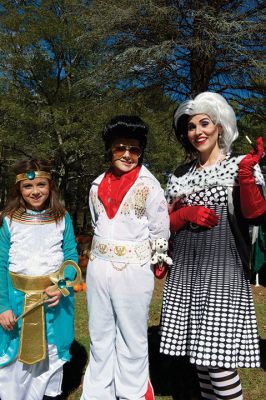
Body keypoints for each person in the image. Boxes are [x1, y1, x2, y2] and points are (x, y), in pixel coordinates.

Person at [159, 92, 265, 400]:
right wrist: (182, 216)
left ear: (219, 127)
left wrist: (246, 176)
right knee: (201, 362)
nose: (197, 132)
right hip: (186, 271)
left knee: (217, 362)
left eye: (204, 123)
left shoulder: (237, 166)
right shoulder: (180, 175)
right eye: (191, 127)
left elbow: (255, 212)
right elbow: (162, 224)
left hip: (222, 269)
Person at [81, 115, 170, 400]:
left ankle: (132, 392)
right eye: (120, 148)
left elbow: (160, 228)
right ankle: (98, 392)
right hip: (98, 268)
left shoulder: (150, 186)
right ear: (110, 149)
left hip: (133, 268)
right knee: (100, 333)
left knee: (132, 336)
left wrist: (158, 257)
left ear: (141, 151)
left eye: (134, 149)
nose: (127, 155)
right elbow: (97, 224)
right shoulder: (96, 185)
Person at [0, 159, 79, 400]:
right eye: (28, 186)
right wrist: (3, 306)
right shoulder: (8, 220)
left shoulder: (62, 218)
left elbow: (71, 257)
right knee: (14, 356)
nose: (35, 192)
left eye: (41, 185)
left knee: (51, 352)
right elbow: (1, 264)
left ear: (50, 186)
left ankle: (47, 394)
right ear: (19, 190)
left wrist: (62, 287)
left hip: (52, 301)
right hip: (16, 300)